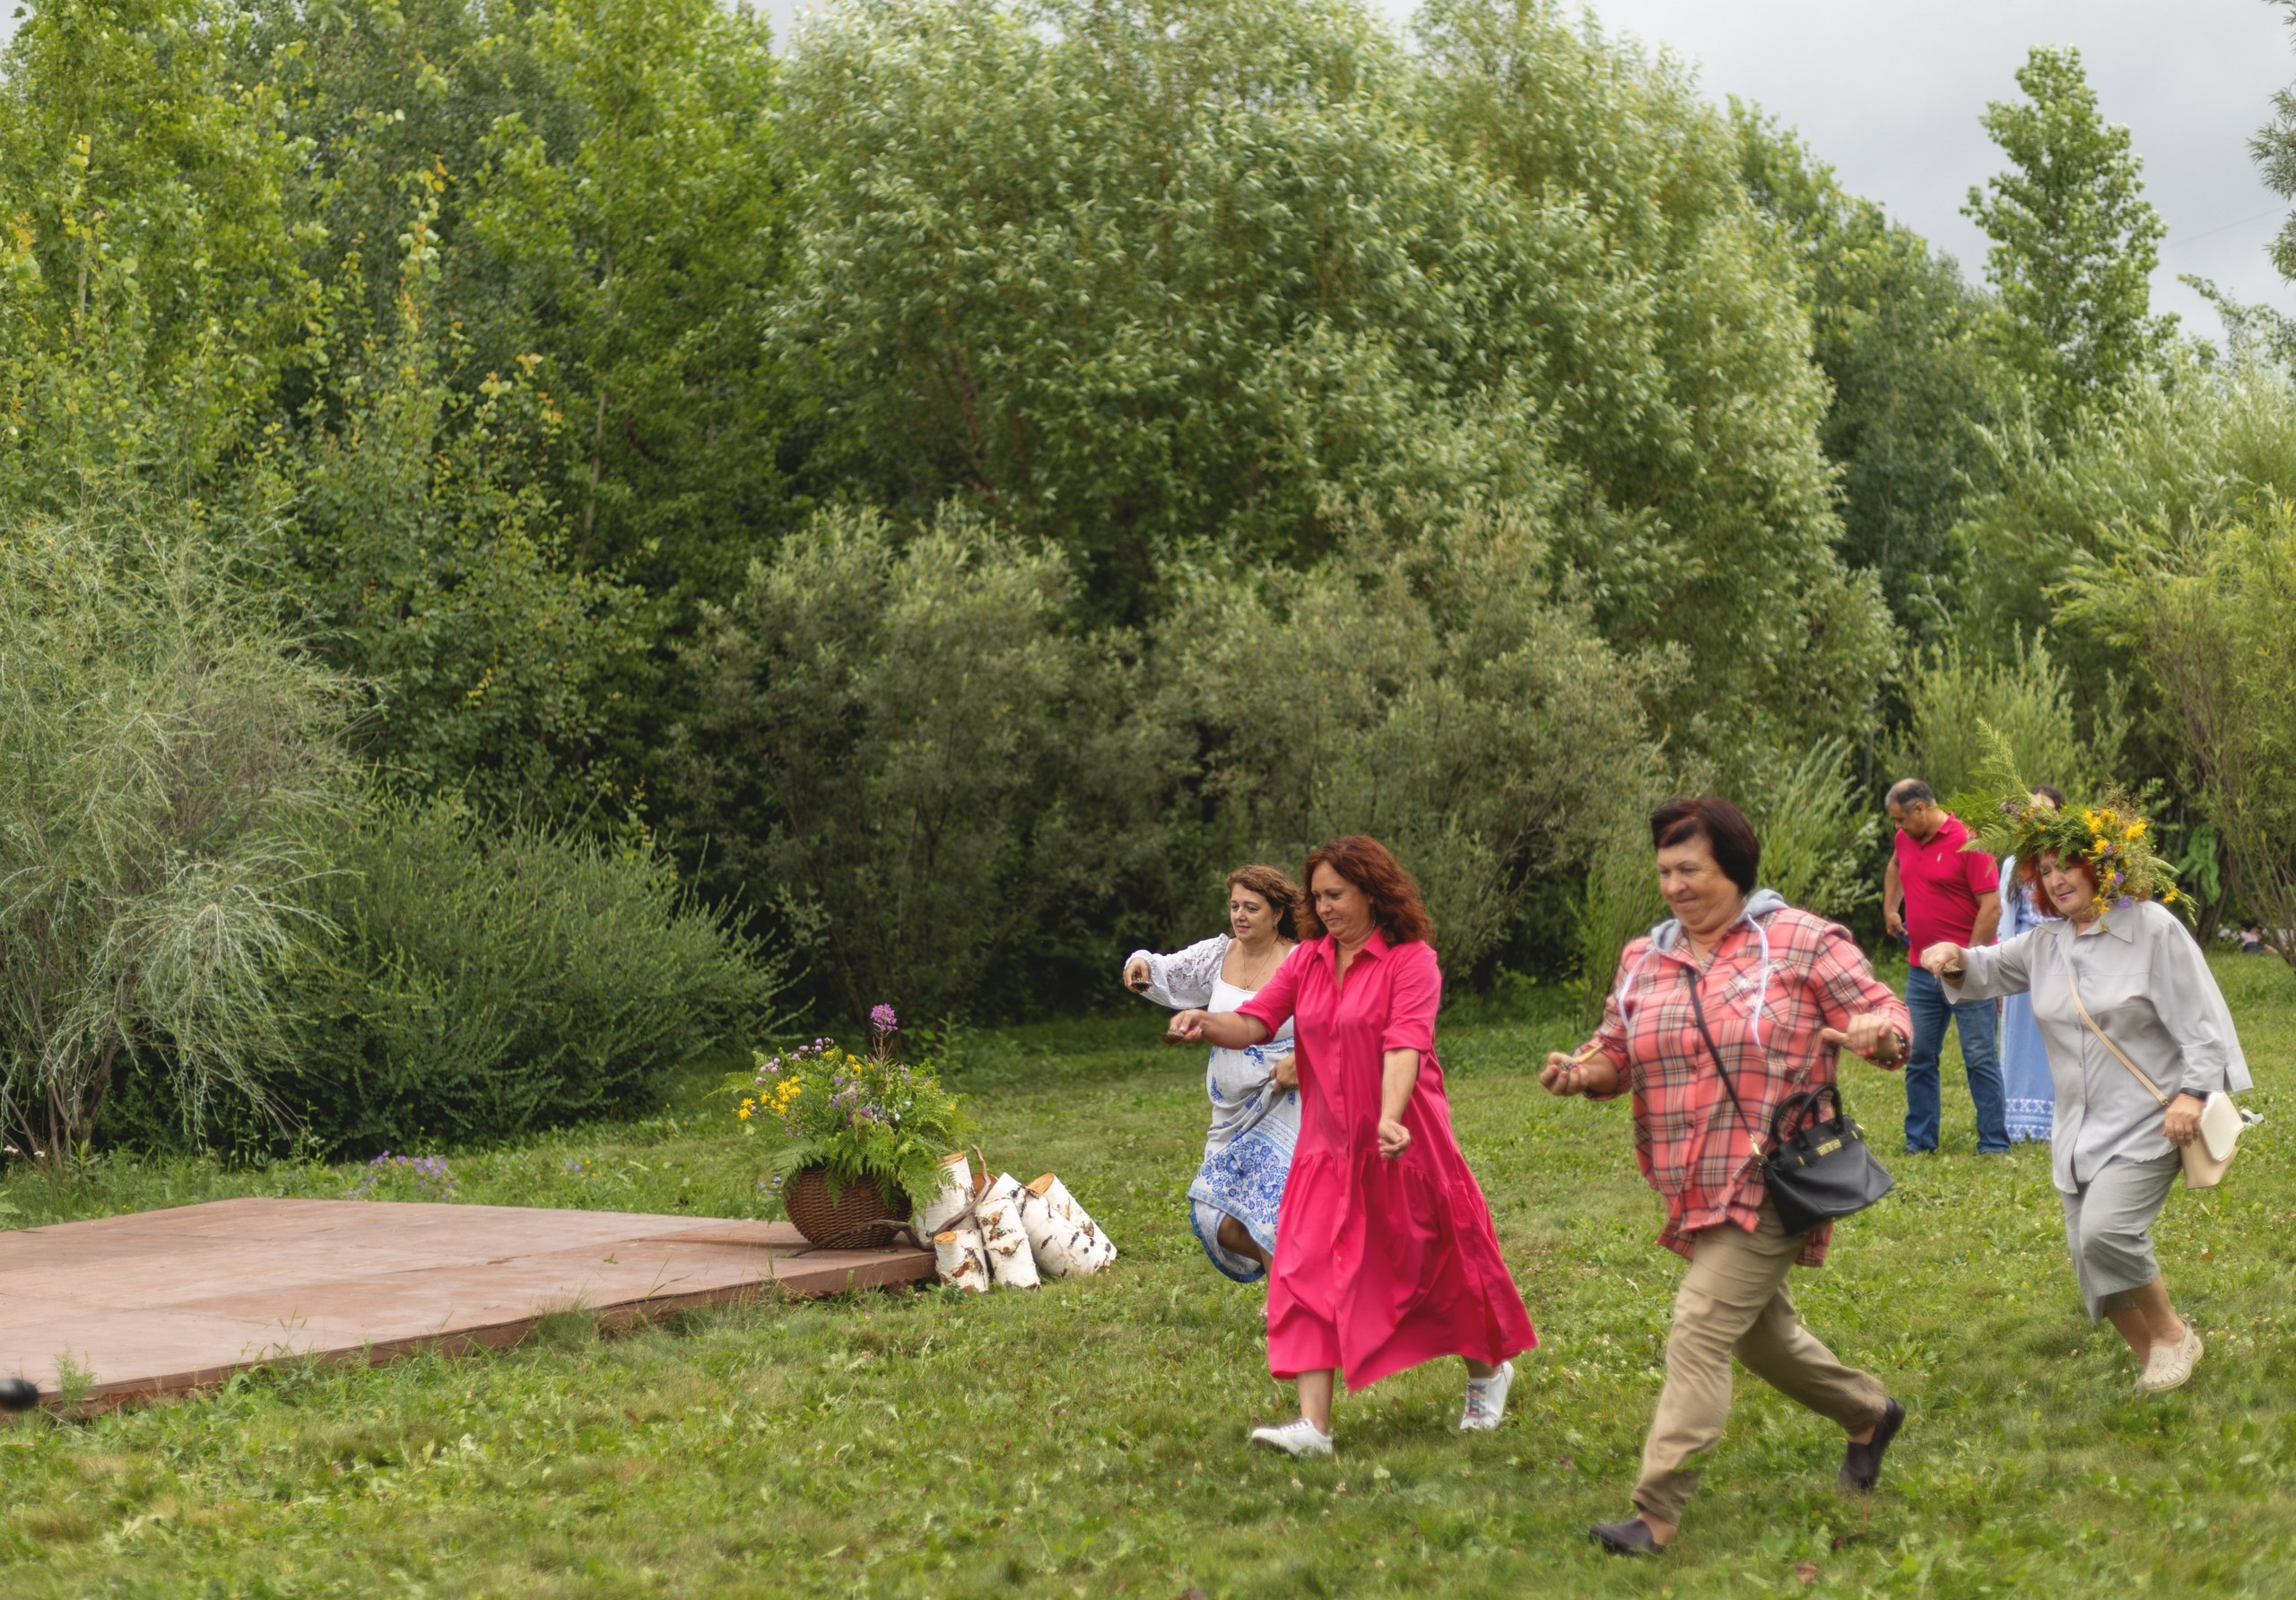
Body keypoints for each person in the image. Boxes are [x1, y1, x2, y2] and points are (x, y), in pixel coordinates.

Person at [1544, 796, 1912, 1557]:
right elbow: (1616, 1047)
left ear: (1734, 869)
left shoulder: (1800, 940)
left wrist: (1883, 1034)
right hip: (1693, 1177)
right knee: (1761, 1340)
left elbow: (1884, 1013)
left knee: (1700, 1328)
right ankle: (1869, 1413)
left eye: (1691, 869)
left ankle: (1656, 1512)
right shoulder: (1644, 957)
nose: (1675, 886)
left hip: (1778, 1174)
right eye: (1665, 872)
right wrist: (1584, 1074)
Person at [1168, 836, 1535, 1457]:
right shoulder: (1309, 960)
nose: (1325, 906)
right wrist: (1207, 1022)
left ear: (1372, 890)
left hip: (1404, 1140)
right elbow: (1257, 1021)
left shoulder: (1410, 960)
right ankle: (1314, 1426)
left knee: (1433, 1266)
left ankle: (1486, 1372)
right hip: (1326, 1145)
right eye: (1317, 897)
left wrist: (1391, 1118)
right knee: (1302, 1265)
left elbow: (1405, 1044)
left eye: (1336, 894)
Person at [1918, 789, 2248, 1394]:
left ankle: (2174, 1335)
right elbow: (1986, 968)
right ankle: (2151, 1353)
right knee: (2086, 1256)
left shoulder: (2150, 930)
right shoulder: (2047, 943)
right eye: (2042, 870)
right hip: (2075, 1130)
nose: (2055, 878)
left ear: (2102, 864)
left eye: (2066, 863)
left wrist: (2193, 1093)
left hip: (2150, 1120)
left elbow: (2200, 1019)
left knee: (2107, 1234)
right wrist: (1953, 958)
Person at [1124, 865, 1303, 1280]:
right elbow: (1163, 968)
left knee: (1268, 1207)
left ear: (1277, 914)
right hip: (1230, 1108)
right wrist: (1139, 966)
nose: (1239, 915)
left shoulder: (1300, 961)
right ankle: (1306, 1278)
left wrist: (1305, 1061)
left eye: (1252, 908)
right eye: (1235, 905)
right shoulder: (1217, 954)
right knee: (1214, 1215)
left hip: (1285, 1099)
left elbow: (1335, 1022)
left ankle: (1287, 1307)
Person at [1883, 778, 2008, 1154]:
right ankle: (1920, 1142)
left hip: (1964, 971)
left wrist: (1966, 960)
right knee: (1918, 1056)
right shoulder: (1905, 839)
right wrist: (1891, 907)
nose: (1897, 828)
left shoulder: (1970, 842)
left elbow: (1992, 908)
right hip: (1920, 973)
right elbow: (1895, 864)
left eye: (1901, 819)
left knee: (1979, 1057)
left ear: (1921, 809)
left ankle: (1994, 1143)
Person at [1997, 784, 2068, 1143]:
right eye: (2032, 810)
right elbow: (2005, 919)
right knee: (2024, 1041)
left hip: (2066, 958)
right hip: (2025, 961)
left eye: (2047, 810)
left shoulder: (2072, 860)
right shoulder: (2014, 863)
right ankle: (2022, 1122)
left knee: (2061, 1037)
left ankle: (2063, 1117)